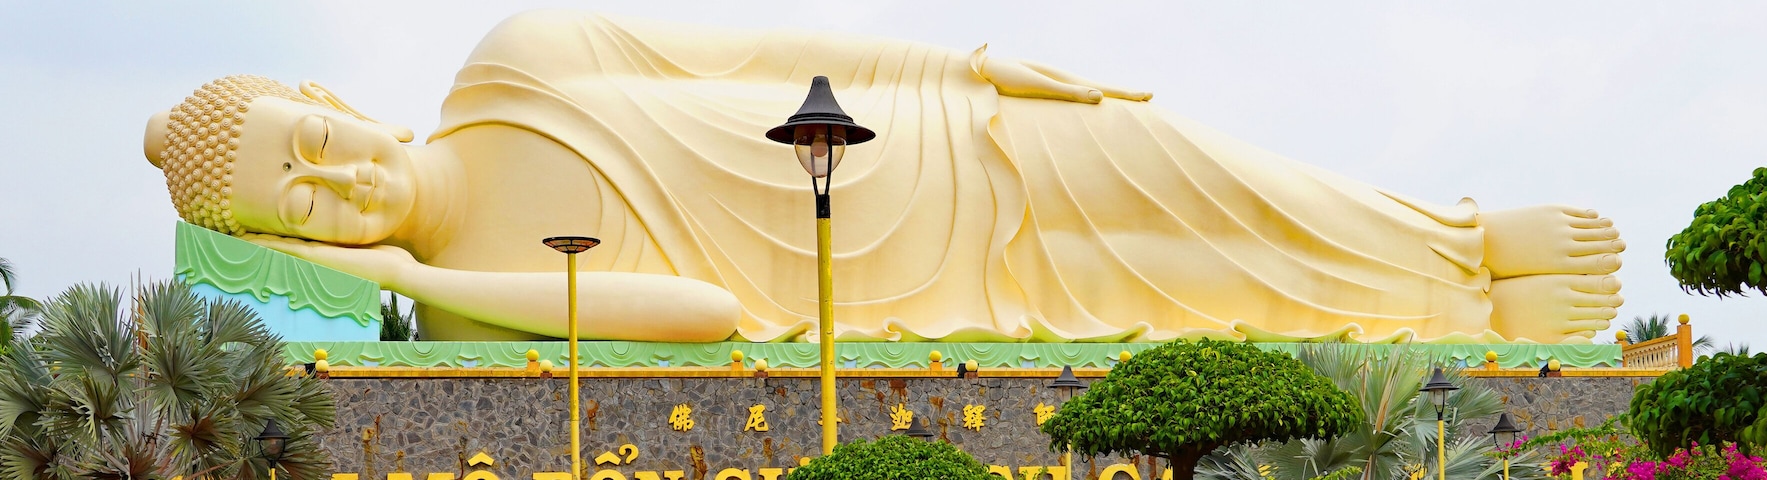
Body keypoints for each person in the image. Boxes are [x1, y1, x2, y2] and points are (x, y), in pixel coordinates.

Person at [142, 11, 1624, 343]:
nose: (343, 184)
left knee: (1212, 179)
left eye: (314, 143)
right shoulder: (478, 307)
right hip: (917, 282)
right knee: (1213, 295)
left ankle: (1461, 234)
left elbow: (760, 50)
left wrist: (966, 69)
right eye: (306, 207)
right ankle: (1481, 313)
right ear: (302, 246)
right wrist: (407, 279)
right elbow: (704, 315)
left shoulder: (518, 59)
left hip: (943, 150)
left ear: (330, 98)